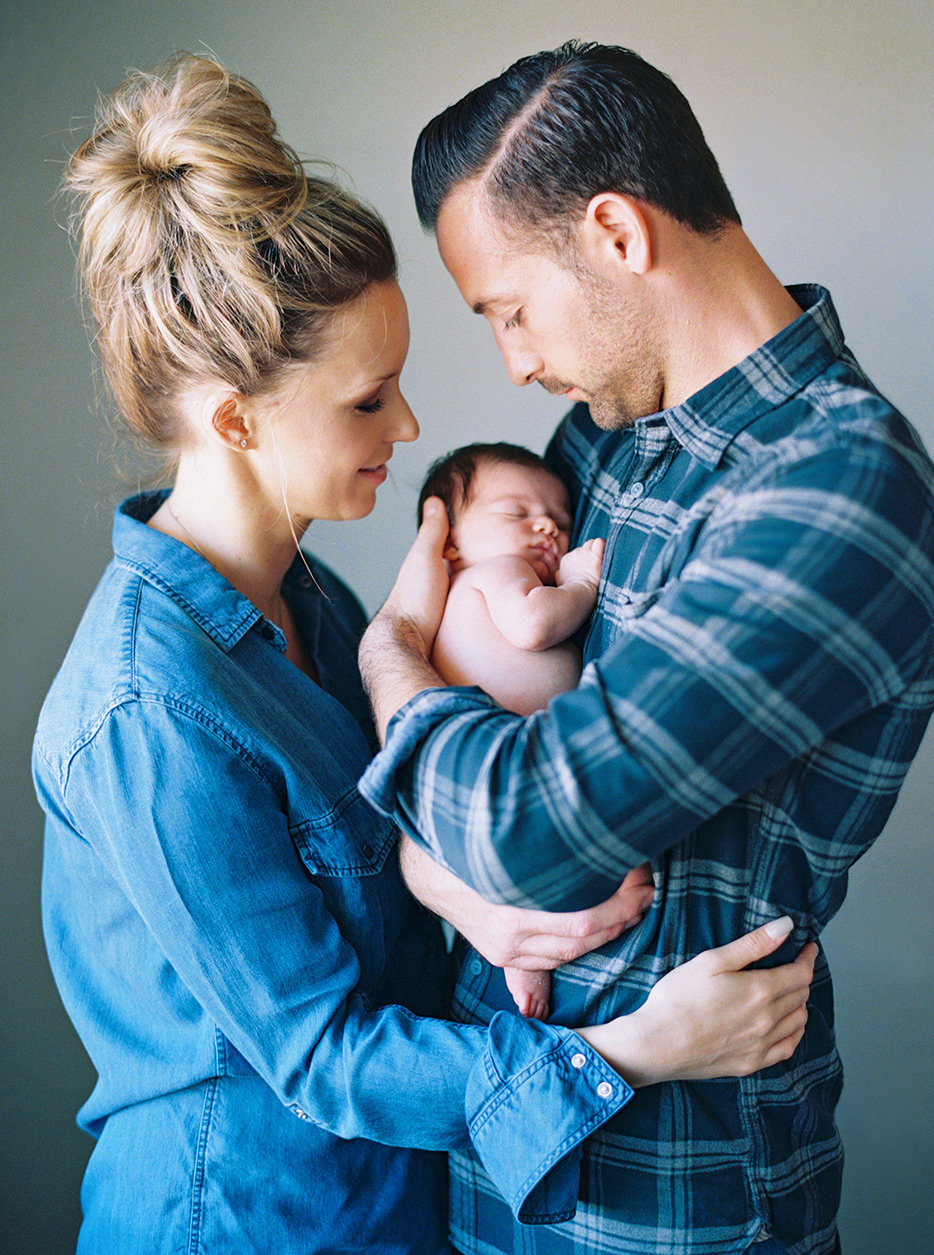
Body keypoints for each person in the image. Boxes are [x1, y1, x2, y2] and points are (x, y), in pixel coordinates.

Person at [32, 54, 818, 1255]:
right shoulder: (147, 707)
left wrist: (463, 894)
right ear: (235, 419)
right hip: (246, 1221)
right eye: (368, 401)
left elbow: (380, 832)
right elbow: (316, 1051)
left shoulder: (319, 605)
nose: (409, 428)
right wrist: (636, 1050)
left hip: (401, 1200)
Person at [357, 40, 934, 1255]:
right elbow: (470, 776)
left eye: (509, 310)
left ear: (617, 233)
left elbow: (525, 822)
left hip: (678, 1193)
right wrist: (439, 879)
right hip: (512, 1129)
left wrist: (385, 658)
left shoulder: (840, 488)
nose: (511, 361)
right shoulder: (606, 444)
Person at [418, 440, 608, 1018]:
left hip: (491, 775)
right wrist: (580, 587)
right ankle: (525, 962)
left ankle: (523, 965)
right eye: (516, 513)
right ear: (450, 540)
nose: (547, 526)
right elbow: (531, 625)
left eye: (560, 518)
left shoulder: (496, 575)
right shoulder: (497, 574)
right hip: (498, 766)